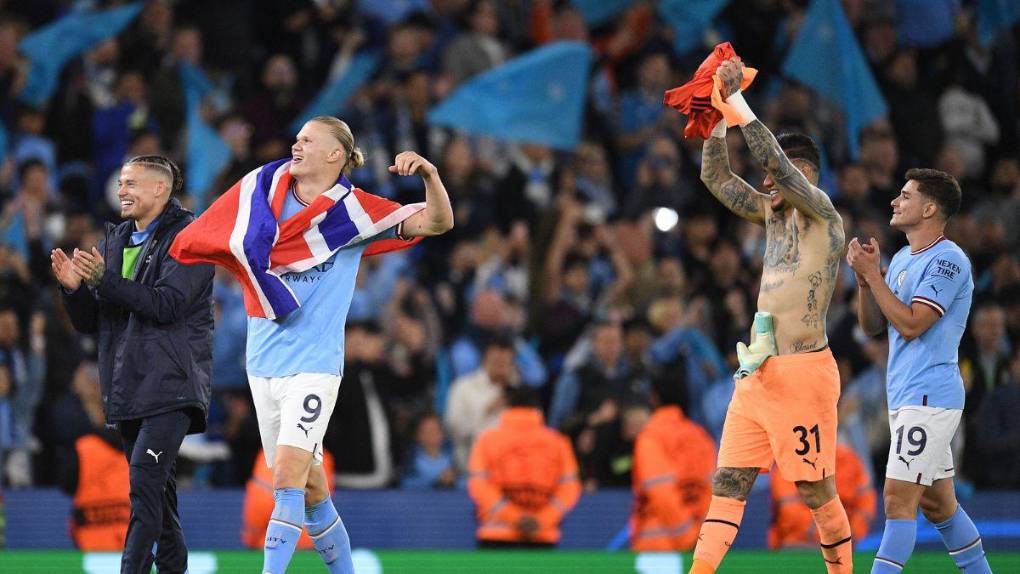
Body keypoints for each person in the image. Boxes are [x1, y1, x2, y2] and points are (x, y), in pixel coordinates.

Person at [169, 115, 453, 574]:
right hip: (262, 366)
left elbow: (438, 222)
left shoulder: (355, 214)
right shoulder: (260, 193)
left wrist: (430, 176)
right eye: (296, 137)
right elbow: (213, 233)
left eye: (307, 140)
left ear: (334, 154)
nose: (295, 146)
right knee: (312, 490)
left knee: (283, 479)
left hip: (315, 368)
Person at [688, 57, 852, 574]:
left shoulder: (824, 214)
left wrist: (736, 101)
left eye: (785, 171)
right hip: (758, 373)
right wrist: (714, 115)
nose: (771, 178)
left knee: (814, 488)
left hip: (805, 372)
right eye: (770, 174)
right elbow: (714, 176)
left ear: (809, 176)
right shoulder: (770, 214)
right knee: (729, 482)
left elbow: (778, 165)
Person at [50, 155, 215, 574]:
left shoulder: (190, 239)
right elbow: (94, 322)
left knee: (143, 489)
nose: (121, 191)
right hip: (128, 389)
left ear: (160, 189)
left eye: (130, 183)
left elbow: (168, 304)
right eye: (121, 183)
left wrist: (105, 281)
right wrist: (75, 292)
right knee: (160, 502)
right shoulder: (116, 241)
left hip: (171, 387)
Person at [847, 168, 992, 573]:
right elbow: (875, 326)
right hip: (908, 395)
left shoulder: (948, 260)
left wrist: (875, 276)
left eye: (905, 196)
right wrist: (865, 281)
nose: (895, 201)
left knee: (896, 498)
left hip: (930, 396)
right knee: (938, 503)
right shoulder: (902, 262)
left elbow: (912, 323)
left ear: (929, 208)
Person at [467, 386, 580, 548]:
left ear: (507, 405)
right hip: (542, 535)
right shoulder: (558, 442)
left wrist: (514, 517)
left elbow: (479, 486)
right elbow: (570, 489)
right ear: (537, 408)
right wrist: (542, 520)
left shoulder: (487, 440)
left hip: (496, 534)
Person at [630, 374, 715, 551]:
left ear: (654, 398)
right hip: (701, 545)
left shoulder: (651, 437)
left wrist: (685, 536)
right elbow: (713, 491)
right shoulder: (701, 436)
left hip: (659, 545)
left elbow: (661, 491)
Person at [768, 442, 876, 550]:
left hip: (845, 545)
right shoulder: (790, 462)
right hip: (797, 546)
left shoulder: (848, 459)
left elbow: (865, 504)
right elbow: (790, 513)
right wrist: (828, 536)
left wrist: (852, 533)